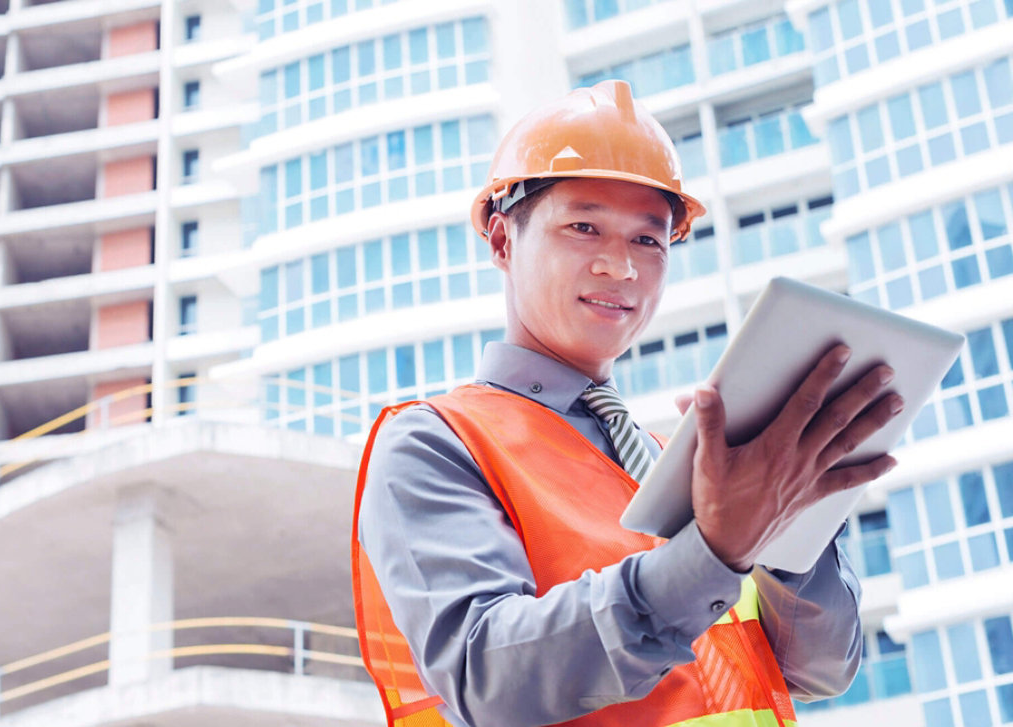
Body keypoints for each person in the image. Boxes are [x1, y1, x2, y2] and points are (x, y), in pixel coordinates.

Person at [351, 80, 904, 727]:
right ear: (503, 240)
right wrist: (713, 553)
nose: (621, 267)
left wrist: (791, 524)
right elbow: (487, 677)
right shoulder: (437, 442)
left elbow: (822, 669)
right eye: (584, 227)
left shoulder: (695, 469)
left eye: (649, 240)